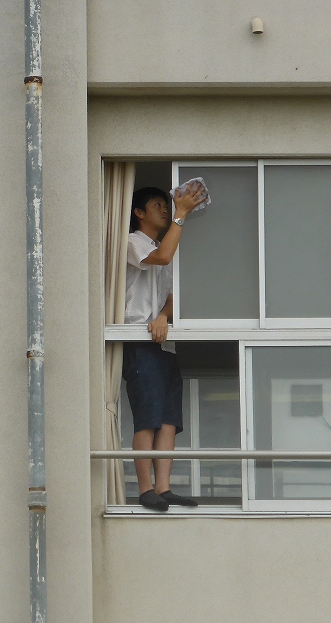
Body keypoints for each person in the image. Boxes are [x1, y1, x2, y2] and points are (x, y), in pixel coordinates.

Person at [123, 183, 207, 511]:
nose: (164, 209)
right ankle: (146, 489)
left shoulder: (164, 243)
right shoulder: (132, 242)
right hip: (138, 339)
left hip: (164, 341)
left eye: (165, 205)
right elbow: (161, 258)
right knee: (148, 416)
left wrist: (162, 316)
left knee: (169, 417)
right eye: (157, 205)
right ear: (139, 213)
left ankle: (164, 487)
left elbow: (174, 295)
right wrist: (181, 214)